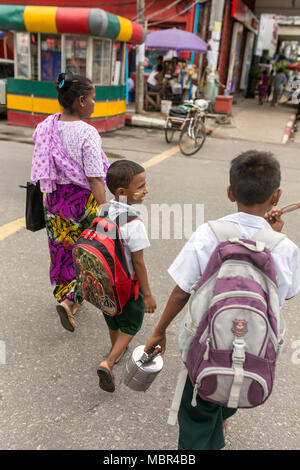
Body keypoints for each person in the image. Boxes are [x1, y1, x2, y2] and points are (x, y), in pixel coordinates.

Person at [145, 150, 300, 450]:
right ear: (277, 195)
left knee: (197, 412)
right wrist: (272, 237)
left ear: (230, 193)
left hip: (205, 346)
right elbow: (285, 296)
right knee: (233, 389)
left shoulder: (209, 233)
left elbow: (181, 291)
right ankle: (223, 420)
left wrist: (159, 329)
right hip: (254, 348)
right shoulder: (285, 247)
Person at [30, 71, 109, 332]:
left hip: (53, 199)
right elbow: (96, 178)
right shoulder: (87, 133)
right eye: (93, 98)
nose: (95, 103)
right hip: (81, 202)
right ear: (81, 101)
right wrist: (107, 211)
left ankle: (66, 299)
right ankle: (73, 300)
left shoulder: (45, 127)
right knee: (87, 252)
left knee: (61, 250)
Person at [97, 160, 157, 393]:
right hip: (127, 284)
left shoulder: (103, 210)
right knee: (132, 323)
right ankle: (109, 362)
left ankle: (115, 349)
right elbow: (139, 262)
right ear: (123, 193)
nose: (146, 190)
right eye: (140, 186)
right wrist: (148, 295)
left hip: (104, 280)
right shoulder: (133, 222)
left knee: (112, 317)